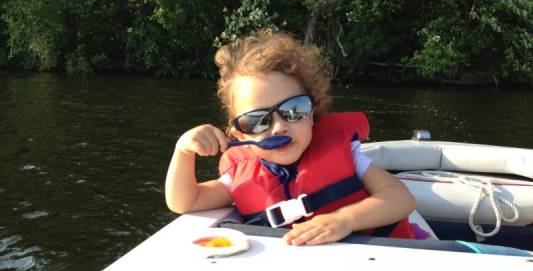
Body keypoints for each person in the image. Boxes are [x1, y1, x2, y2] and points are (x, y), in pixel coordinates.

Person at [165, 29, 416, 246]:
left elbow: (400, 197)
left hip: (373, 255)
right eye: (258, 120)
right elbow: (185, 202)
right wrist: (183, 152)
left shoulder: (349, 158)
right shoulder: (237, 178)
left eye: (293, 110)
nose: (278, 127)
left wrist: (345, 219)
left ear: (312, 114)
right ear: (240, 135)